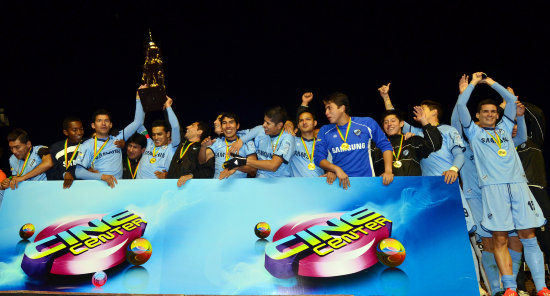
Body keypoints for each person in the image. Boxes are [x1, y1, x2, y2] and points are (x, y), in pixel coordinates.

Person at [457, 72, 548, 296]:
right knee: (499, 238)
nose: (490, 114)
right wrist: (474, 85)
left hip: (518, 185)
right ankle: (509, 288)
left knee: (528, 236)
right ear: (477, 115)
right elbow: (461, 106)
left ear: (498, 115)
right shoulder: (474, 133)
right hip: (493, 189)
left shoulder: (506, 128)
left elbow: (510, 99)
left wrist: (490, 82)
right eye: (485, 112)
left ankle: (542, 287)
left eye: (493, 111)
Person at [313, 92, 394, 189]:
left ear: (342, 108)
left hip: (366, 184)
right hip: (340, 184)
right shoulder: (325, 131)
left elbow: (385, 145)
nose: (326, 112)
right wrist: (335, 169)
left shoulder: (367, 123)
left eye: (329, 108)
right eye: (325, 109)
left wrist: (388, 171)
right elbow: (318, 158)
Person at [75, 88, 145, 188]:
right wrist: (101, 176)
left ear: (111, 124)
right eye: (99, 121)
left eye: (106, 121)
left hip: (117, 187)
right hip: (99, 187)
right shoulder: (87, 145)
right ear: (93, 125)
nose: (103, 123)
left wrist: (139, 98)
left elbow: (138, 122)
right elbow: (78, 172)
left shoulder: (118, 137)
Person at [224, 106, 295, 178]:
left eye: (268, 123)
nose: (264, 125)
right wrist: (240, 141)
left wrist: (243, 161)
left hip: (279, 182)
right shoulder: (260, 129)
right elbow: (233, 131)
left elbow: (273, 166)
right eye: (264, 121)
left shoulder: (287, 138)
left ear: (279, 125)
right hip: (259, 179)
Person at [372, 108, 442, 176]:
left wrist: (424, 121)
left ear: (401, 123)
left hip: (411, 186)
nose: (389, 124)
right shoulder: (377, 147)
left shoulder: (413, 141)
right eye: (386, 122)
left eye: (393, 121)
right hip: (386, 186)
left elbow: (435, 144)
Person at [198, 112, 257, 179]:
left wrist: (235, 167)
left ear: (237, 126)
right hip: (218, 184)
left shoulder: (247, 143)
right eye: (224, 123)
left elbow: (253, 168)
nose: (228, 126)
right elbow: (202, 161)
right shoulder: (217, 141)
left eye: (231, 122)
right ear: (221, 127)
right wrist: (203, 147)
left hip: (239, 186)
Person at [136, 97, 180, 179]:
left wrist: (168, 106)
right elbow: (138, 123)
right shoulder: (149, 142)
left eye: (159, 134)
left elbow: (175, 127)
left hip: (158, 188)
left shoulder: (173, 147)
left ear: (168, 134)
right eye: (154, 134)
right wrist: (139, 100)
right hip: (139, 188)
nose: (156, 138)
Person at [167, 121, 214, 186]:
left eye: (192, 125)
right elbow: (175, 127)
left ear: (199, 131)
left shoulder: (203, 149)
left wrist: (192, 175)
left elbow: (208, 172)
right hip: (171, 187)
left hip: (188, 189)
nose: (187, 127)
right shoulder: (181, 143)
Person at [47, 117, 85, 189]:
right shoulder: (55, 148)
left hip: (87, 187)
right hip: (64, 189)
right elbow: (51, 173)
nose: (79, 132)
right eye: (75, 130)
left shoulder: (88, 144)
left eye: (81, 129)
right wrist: (64, 174)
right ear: (66, 132)